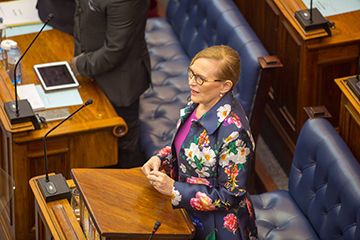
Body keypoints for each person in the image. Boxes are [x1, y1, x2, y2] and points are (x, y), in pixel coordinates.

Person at [142, 45, 258, 240]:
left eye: (200, 79)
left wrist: (174, 189)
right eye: (191, 73)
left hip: (215, 227)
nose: (191, 83)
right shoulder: (199, 101)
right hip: (185, 212)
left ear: (225, 86)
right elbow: (187, 145)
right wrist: (160, 157)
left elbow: (230, 195)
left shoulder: (236, 134)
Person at [70, 0, 152, 168]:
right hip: (91, 69)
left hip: (119, 82)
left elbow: (115, 50)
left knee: (125, 146)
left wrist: (79, 64)